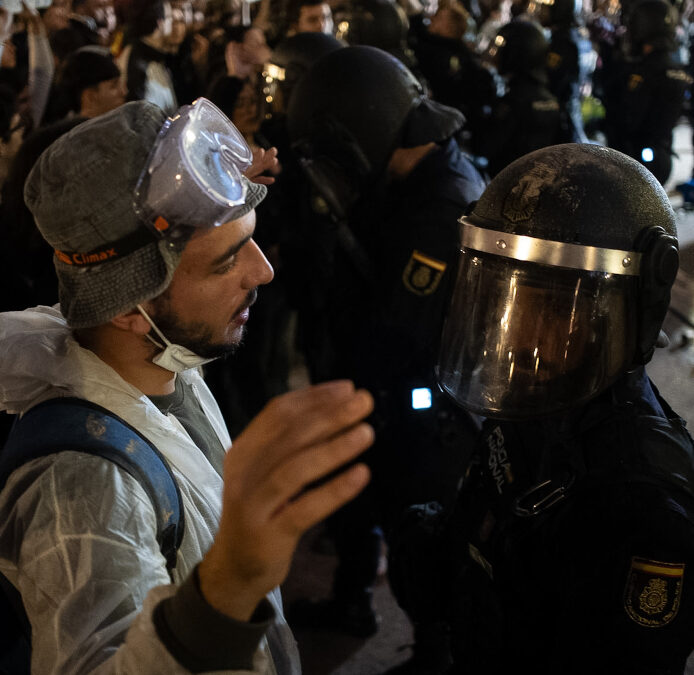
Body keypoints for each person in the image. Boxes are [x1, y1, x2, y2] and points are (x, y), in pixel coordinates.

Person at [0, 98, 375, 673]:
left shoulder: (162, 359)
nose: (263, 271)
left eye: (251, 239)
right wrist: (230, 583)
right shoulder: (86, 484)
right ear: (129, 309)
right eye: (227, 262)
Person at [389, 142, 694, 673]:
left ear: (630, 308)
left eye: (552, 308)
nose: (518, 332)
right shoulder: (536, 399)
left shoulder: (648, 505)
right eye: (504, 302)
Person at [285, 45, 484, 640]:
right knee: (373, 510)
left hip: (415, 404)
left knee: (416, 532)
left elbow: (398, 327)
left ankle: (432, 646)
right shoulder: (420, 173)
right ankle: (355, 598)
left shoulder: (440, 206)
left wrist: (347, 386)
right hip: (393, 391)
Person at [603, 0, 691, 185]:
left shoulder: (644, 72)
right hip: (662, 155)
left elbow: (628, 120)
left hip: (637, 161)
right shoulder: (676, 69)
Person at [474, 19, 561, 175]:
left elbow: (486, 147)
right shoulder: (550, 99)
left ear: (516, 54)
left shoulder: (513, 101)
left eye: (503, 47)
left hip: (506, 184)